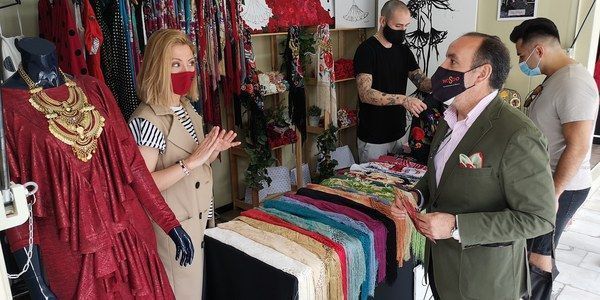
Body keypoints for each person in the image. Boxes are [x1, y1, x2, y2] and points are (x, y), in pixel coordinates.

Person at [391, 32, 556, 299]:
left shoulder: (517, 134)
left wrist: (457, 227)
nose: (442, 68)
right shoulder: (449, 119)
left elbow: (539, 218)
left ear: (481, 74)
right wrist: (417, 195)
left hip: (484, 281)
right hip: (443, 269)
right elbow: (442, 176)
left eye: (452, 61)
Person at [129, 29, 240, 299]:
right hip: (173, 230)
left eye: (190, 63)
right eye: (175, 64)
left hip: (199, 220)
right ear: (158, 67)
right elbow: (142, 185)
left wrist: (213, 151)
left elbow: (197, 166)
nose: (186, 71)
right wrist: (191, 161)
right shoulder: (148, 120)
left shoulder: (187, 107)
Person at [510, 17, 599, 283]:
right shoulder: (555, 78)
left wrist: (554, 193)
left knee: (539, 257)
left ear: (539, 50)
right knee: (534, 251)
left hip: (559, 187)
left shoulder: (574, 82)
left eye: (522, 55)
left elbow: (580, 144)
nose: (521, 63)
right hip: (544, 184)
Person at [354, 0, 430, 163]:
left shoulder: (403, 50)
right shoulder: (366, 50)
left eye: (406, 26)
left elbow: (421, 81)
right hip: (374, 137)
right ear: (383, 21)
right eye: (398, 26)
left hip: (399, 134)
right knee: (372, 186)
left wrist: (446, 82)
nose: (402, 31)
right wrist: (404, 99)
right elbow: (365, 94)